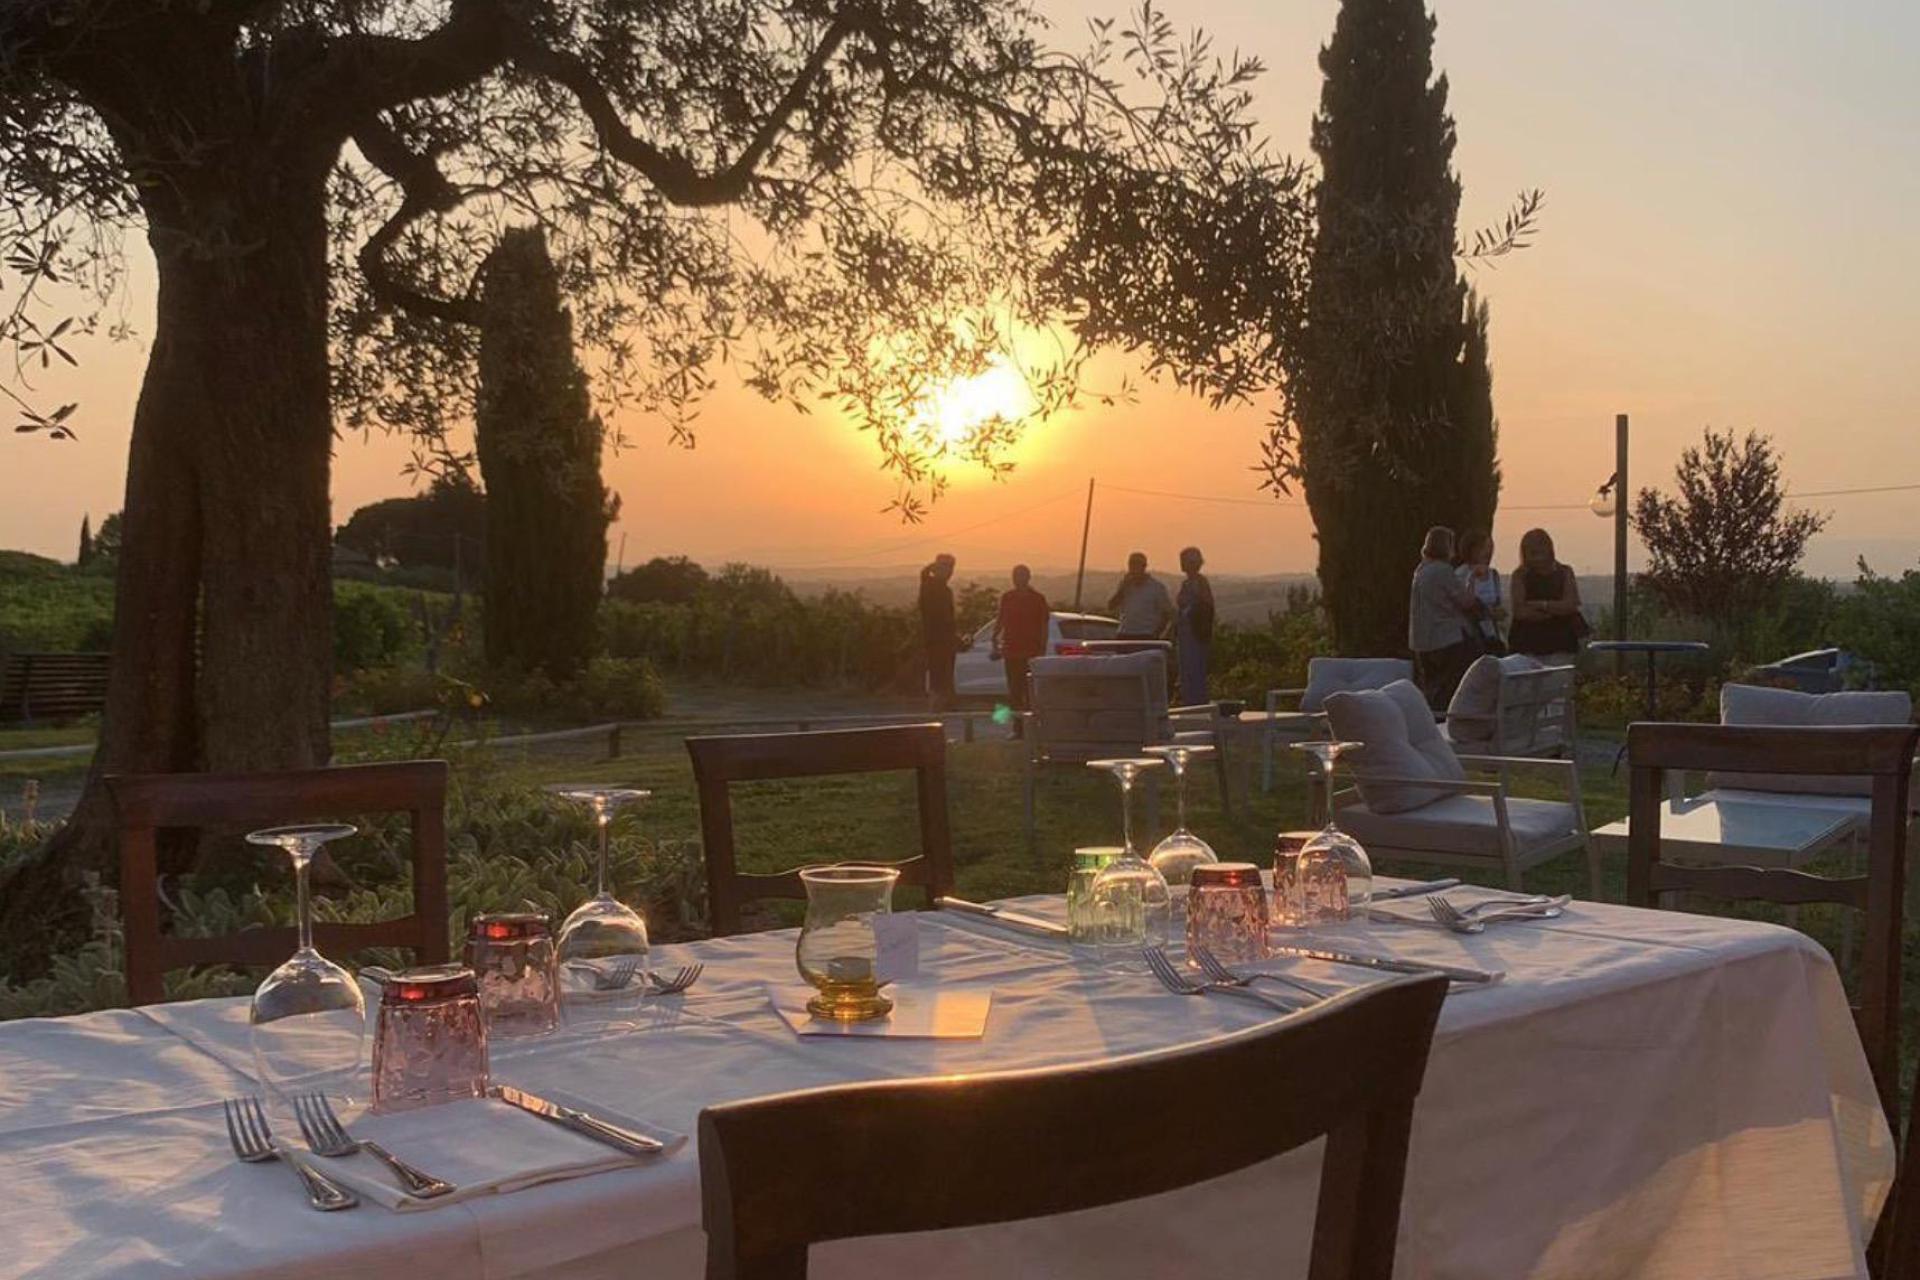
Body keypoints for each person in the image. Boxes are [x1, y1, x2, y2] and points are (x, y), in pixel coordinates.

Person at [1407, 526, 1483, 709]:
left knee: (1432, 685)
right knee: (1452, 685)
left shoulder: (1421, 570)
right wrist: (1473, 578)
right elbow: (1466, 602)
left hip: (1422, 641)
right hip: (1446, 639)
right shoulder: (1443, 571)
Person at [1507, 528, 1585, 663]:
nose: (1537, 558)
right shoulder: (1520, 575)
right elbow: (1520, 611)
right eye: (1533, 553)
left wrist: (1541, 605)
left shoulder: (1565, 572)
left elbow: (1570, 605)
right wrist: (1555, 610)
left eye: (1540, 552)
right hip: (1527, 645)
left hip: (1561, 644)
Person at [993, 564, 1050, 735]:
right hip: (1012, 652)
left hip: (1031, 652)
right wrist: (994, 637)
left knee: (1030, 693)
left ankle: (1033, 729)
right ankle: (1018, 729)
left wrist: (1042, 649)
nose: (1017, 579)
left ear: (1028, 577)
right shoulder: (1008, 597)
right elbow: (1001, 619)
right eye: (1015, 576)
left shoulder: (1038, 599)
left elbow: (1043, 626)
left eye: (1020, 576)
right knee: (1014, 693)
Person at [1454, 530, 1506, 655]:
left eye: (1490, 548)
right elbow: (1464, 605)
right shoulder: (1460, 574)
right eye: (1484, 548)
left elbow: (1497, 604)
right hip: (1469, 635)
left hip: (1490, 635)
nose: (1489, 552)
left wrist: (1498, 613)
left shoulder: (1493, 574)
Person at [1175, 546, 1215, 703]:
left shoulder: (1200, 582)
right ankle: (1189, 700)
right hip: (1186, 632)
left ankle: (1196, 702)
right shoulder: (1187, 583)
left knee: (1195, 669)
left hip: (1195, 633)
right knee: (1187, 671)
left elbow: (1207, 605)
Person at [918, 553, 958, 711]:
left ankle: (940, 710)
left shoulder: (942, 589)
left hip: (943, 641)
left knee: (943, 679)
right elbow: (945, 619)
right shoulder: (931, 586)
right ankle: (936, 711)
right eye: (946, 567)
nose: (949, 572)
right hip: (936, 641)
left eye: (951, 568)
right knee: (939, 680)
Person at [1107, 551, 1174, 640]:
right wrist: (1122, 589)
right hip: (1124, 634)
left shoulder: (1157, 588)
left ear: (1144, 567)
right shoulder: (1124, 585)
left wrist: (1157, 634)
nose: (1133, 568)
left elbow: (1167, 613)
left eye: (1136, 565)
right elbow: (1110, 606)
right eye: (1131, 565)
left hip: (1146, 635)